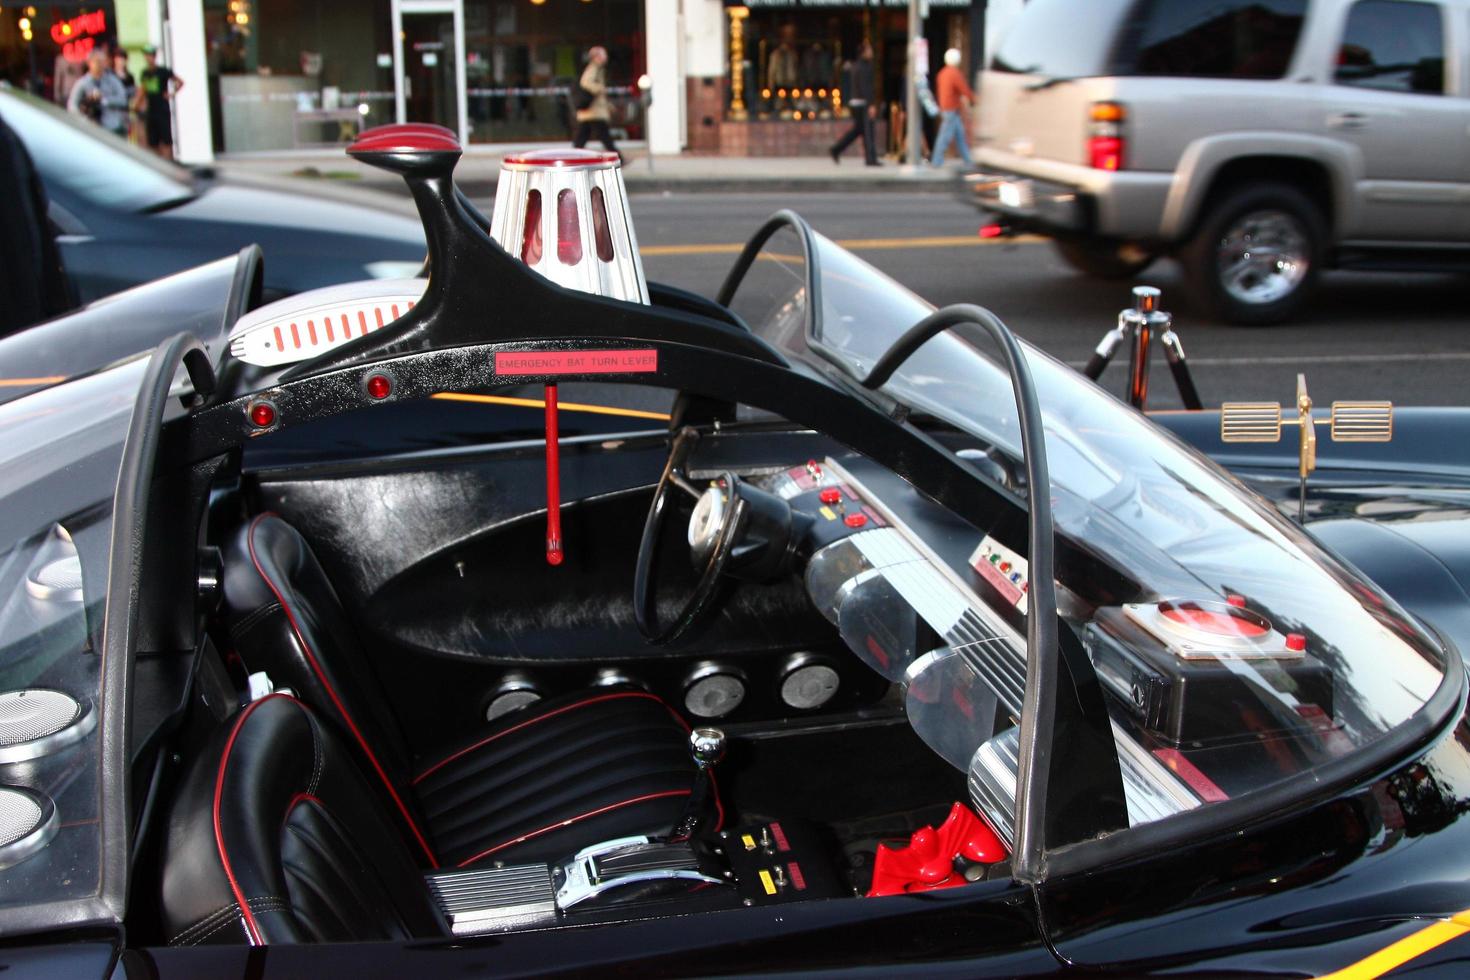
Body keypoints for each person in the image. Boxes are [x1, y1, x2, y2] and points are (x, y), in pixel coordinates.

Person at [828, 41, 878, 167]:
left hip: (855, 102)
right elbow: (865, 87)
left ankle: (836, 149)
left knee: (858, 130)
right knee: (868, 130)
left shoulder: (855, 66)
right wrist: (871, 104)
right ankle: (870, 158)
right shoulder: (865, 67)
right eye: (869, 50)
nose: (871, 52)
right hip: (863, 103)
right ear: (864, 52)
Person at [67, 50, 130, 138]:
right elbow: (72, 105)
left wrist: (105, 100)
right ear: (89, 63)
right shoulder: (83, 83)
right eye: (97, 61)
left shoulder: (112, 80)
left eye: (102, 62)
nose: (100, 65)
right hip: (91, 128)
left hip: (112, 126)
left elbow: (123, 99)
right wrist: (82, 118)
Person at [136, 45, 184, 161]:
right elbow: (143, 90)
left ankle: (168, 161)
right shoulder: (145, 73)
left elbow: (180, 82)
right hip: (151, 110)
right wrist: (137, 105)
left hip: (162, 109)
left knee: (166, 140)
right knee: (153, 141)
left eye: (149, 56)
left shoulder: (163, 71)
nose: (148, 58)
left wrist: (171, 94)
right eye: (146, 56)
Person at [572, 46, 619, 161]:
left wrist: (609, 105)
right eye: (603, 54)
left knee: (582, 137)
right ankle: (619, 158)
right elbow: (586, 82)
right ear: (596, 57)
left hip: (592, 111)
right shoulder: (593, 68)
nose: (606, 57)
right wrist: (600, 88)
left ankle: (573, 157)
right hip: (594, 110)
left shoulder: (598, 69)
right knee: (604, 136)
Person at [930, 48, 974, 167]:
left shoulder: (942, 73)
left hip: (946, 108)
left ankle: (968, 160)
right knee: (945, 136)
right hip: (952, 109)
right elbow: (964, 90)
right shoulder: (955, 73)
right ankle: (936, 161)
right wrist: (974, 99)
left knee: (960, 136)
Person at [112, 49, 138, 143]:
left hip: (125, 109)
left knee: (126, 133)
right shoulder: (110, 75)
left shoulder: (129, 77)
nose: (121, 62)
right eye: (119, 59)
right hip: (114, 109)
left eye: (123, 59)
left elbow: (133, 93)